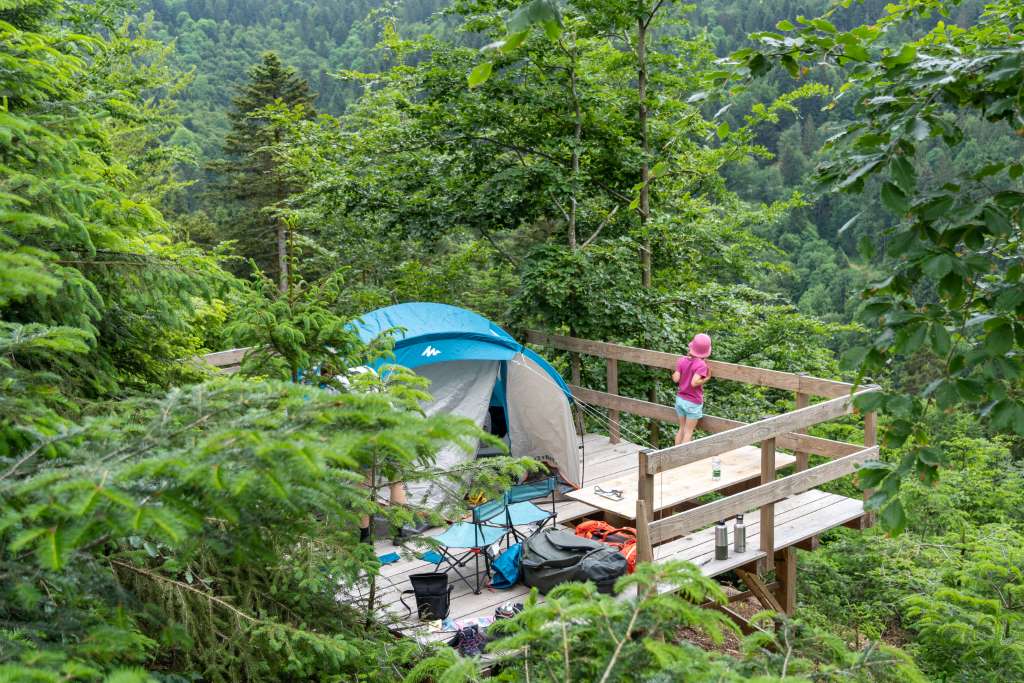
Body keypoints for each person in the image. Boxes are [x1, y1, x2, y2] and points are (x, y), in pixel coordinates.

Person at [672, 333, 712, 445]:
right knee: (688, 432)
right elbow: (694, 383)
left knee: (681, 429)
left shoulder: (682, 360)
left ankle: (675, 456)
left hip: (680, 400)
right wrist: (707, 378)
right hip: (693, 402)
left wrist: (678, 370)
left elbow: (676, 379)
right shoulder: (702, 365)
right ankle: (683, 459)